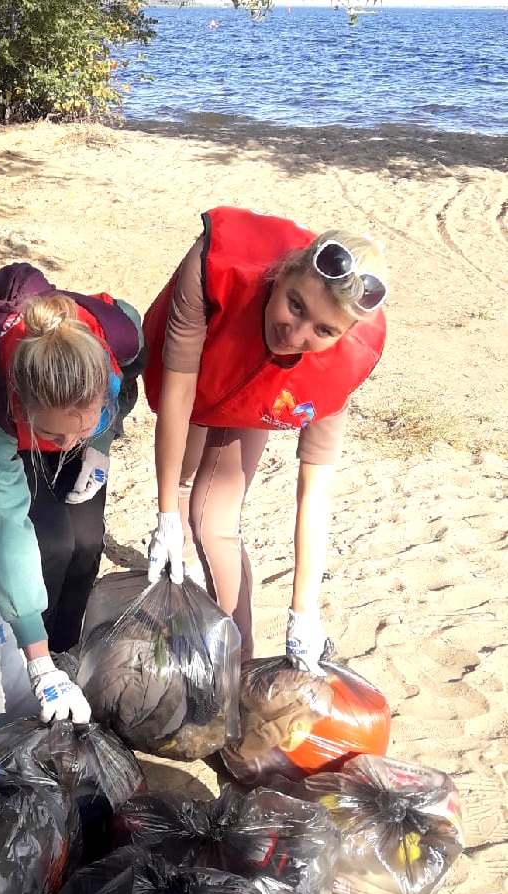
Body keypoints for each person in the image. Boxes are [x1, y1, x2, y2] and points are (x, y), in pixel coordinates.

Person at [143, 206, 387, 673]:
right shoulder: (213, 268)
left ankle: (240, 667)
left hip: (263, 394)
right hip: (202, 365)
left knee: (212, 518)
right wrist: (164, 514)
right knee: (181, 485)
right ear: (283, 275)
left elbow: (315, 494)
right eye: (296, 305)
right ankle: (183, 586)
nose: (295, 334)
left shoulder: (345, 364)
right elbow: (179, 395)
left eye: (324, 331)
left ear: (348, 333)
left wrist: (304, 612)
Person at [0, 264, 145, 724]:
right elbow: (2, 521)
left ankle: (68, 654)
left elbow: (127, 379)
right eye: (56, 434)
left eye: (81, 426)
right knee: (49, 544)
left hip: (63, 416)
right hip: (16, 437)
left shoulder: (107, 354)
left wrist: (99, 445)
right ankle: (40, 663)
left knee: (87, 543)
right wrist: (38, 664)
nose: (66, 444)